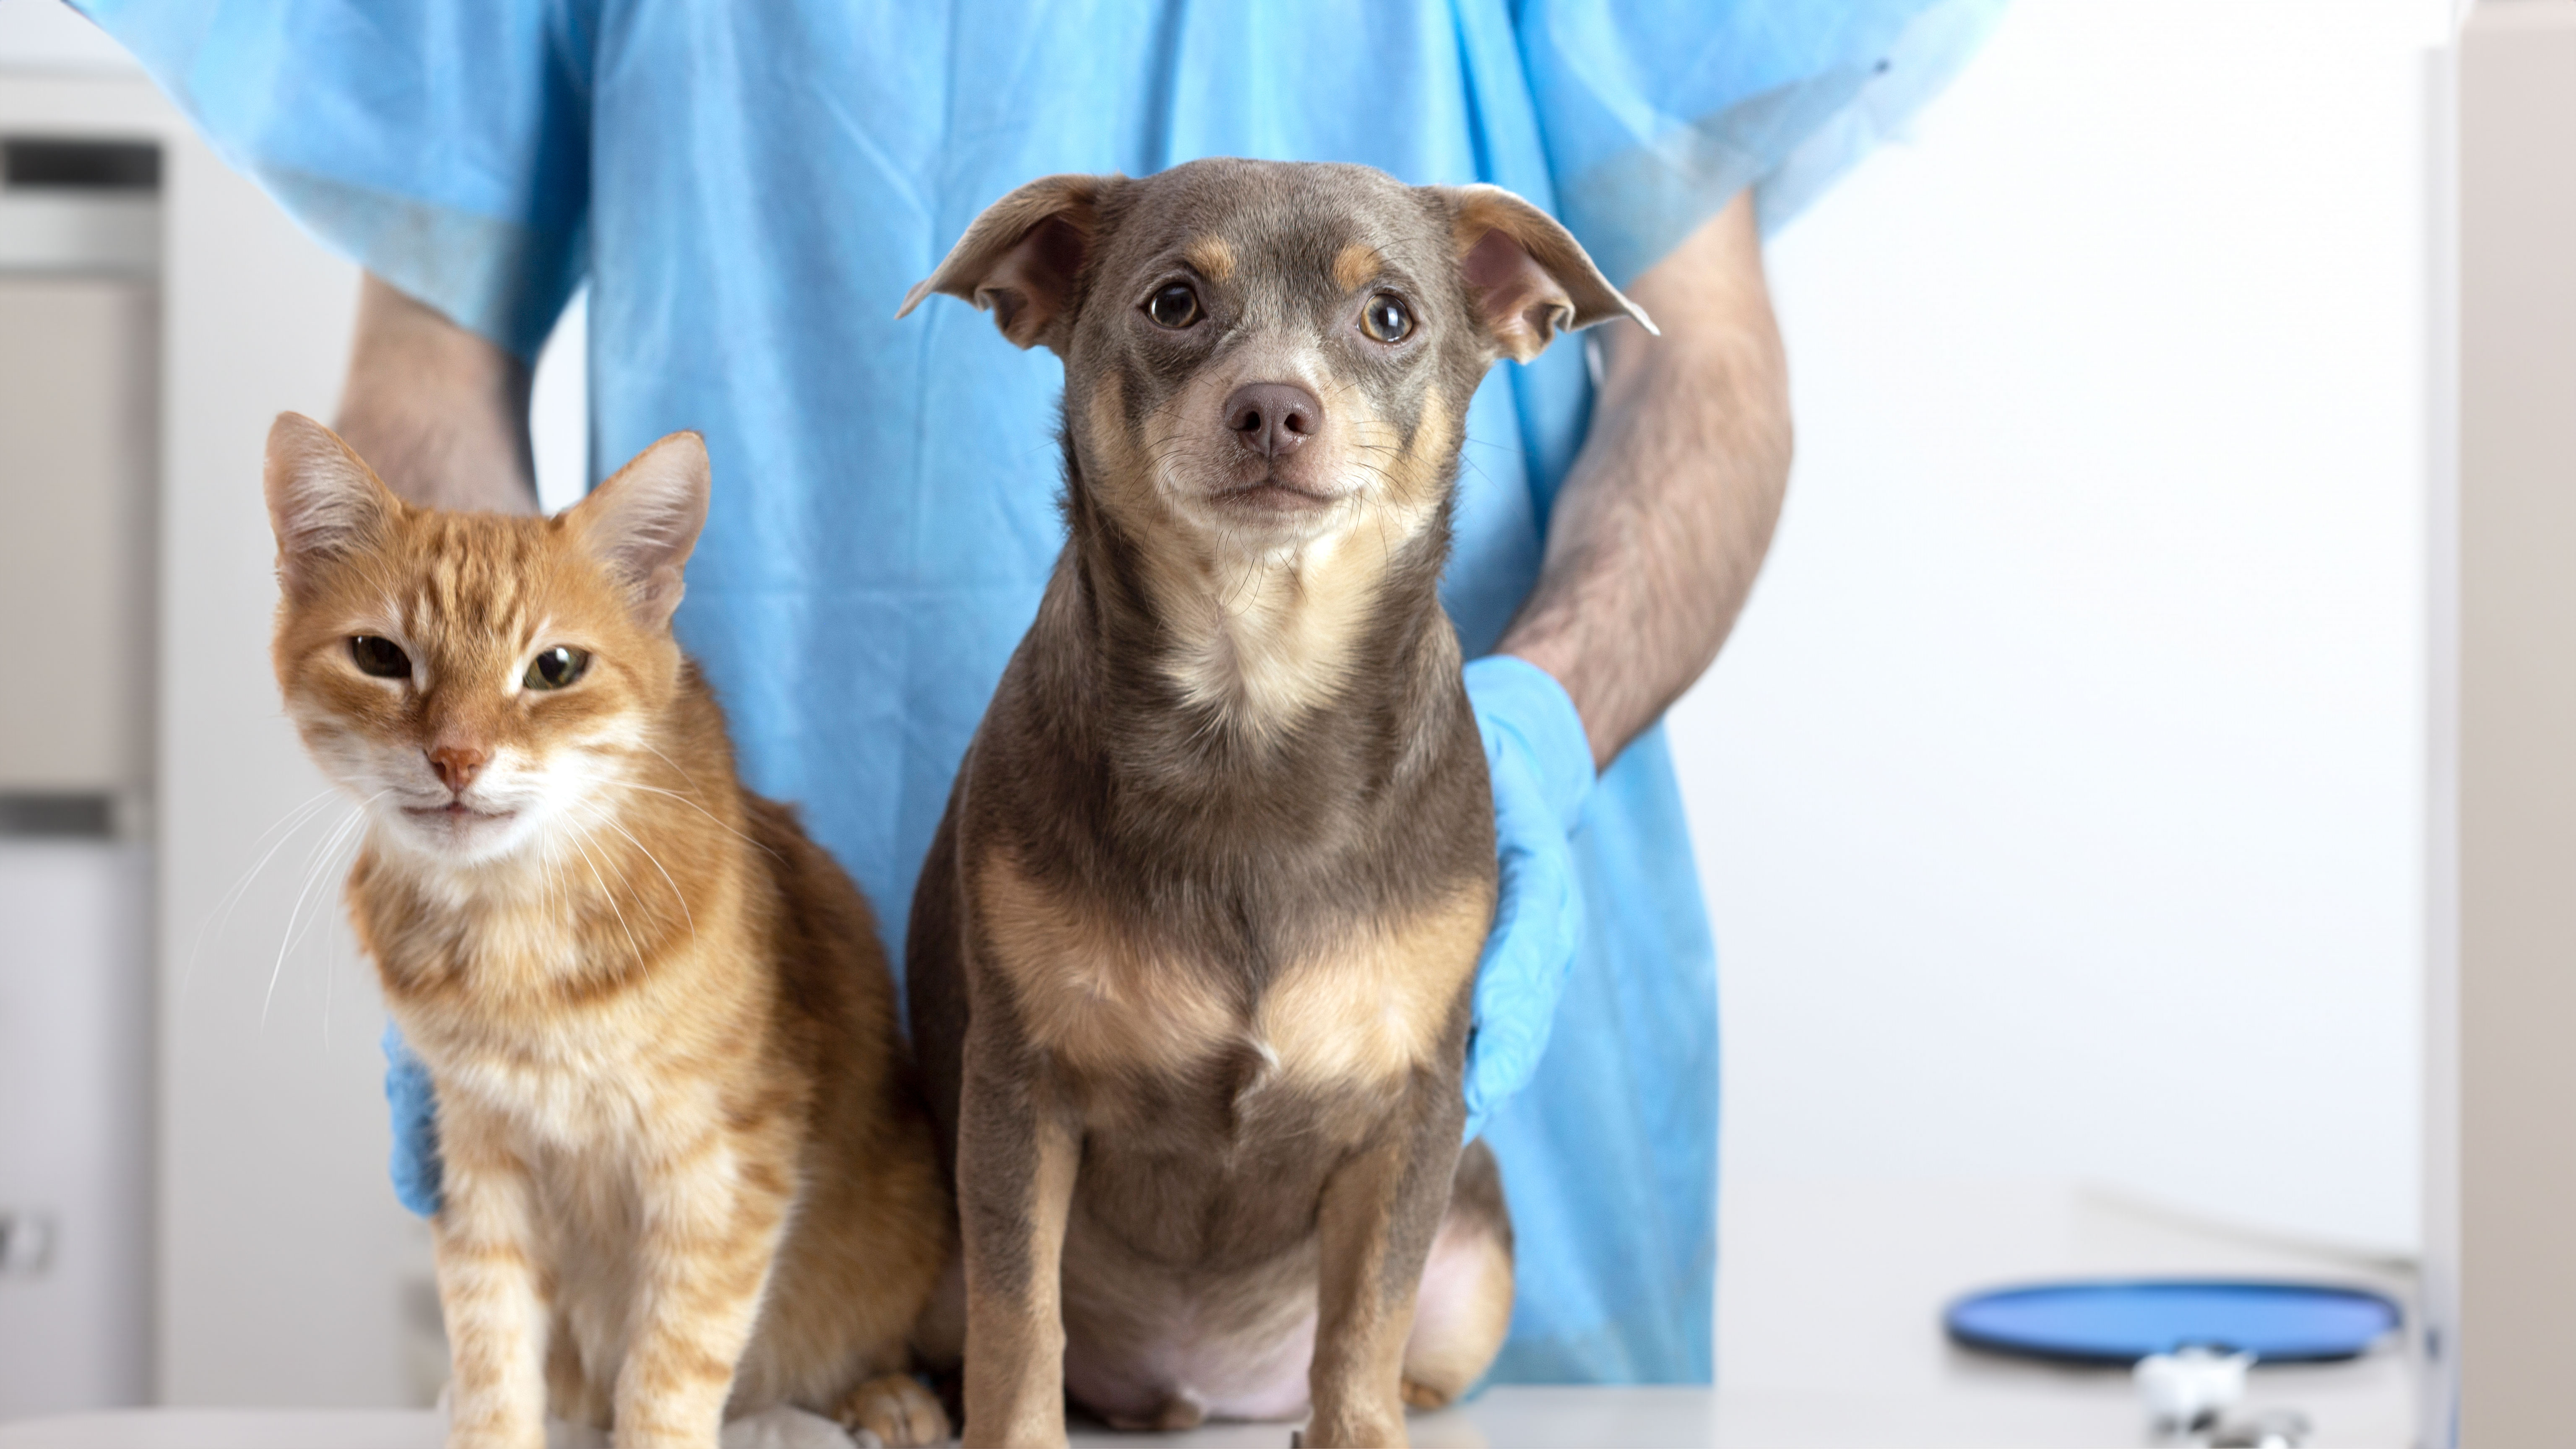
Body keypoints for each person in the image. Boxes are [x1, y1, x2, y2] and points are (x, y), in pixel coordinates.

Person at [84, 0, 2001, 1384]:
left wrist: (1546, 736)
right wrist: (481, 766)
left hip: (1423, 1051)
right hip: (798, 1111)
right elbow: (427, 368)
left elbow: (1704, 378)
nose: (1279, 386)